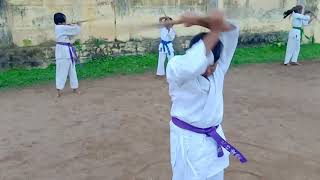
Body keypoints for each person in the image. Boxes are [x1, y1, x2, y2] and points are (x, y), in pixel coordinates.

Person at [166, 11, 247, 180]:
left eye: (214, 66)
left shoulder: (219, 70)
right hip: (188, 141)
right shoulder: (177, 68)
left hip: (213, 139)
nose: (210, 70)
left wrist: (200, 21)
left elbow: (231, 31)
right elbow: (193, 65)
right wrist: (215, 30)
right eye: (207, 65)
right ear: (194, 51)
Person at [54, 12, 81, 97]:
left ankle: (75, 88)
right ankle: (59, 91)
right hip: (62, 52)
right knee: (61, 71)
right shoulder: (61, 28)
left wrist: (73, 25)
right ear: (61, 21)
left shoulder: (61, 27)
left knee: (72, 71)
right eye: (64, 20)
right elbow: (74, 30)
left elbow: (70, 35)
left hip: (67, 51)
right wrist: (77, 25)